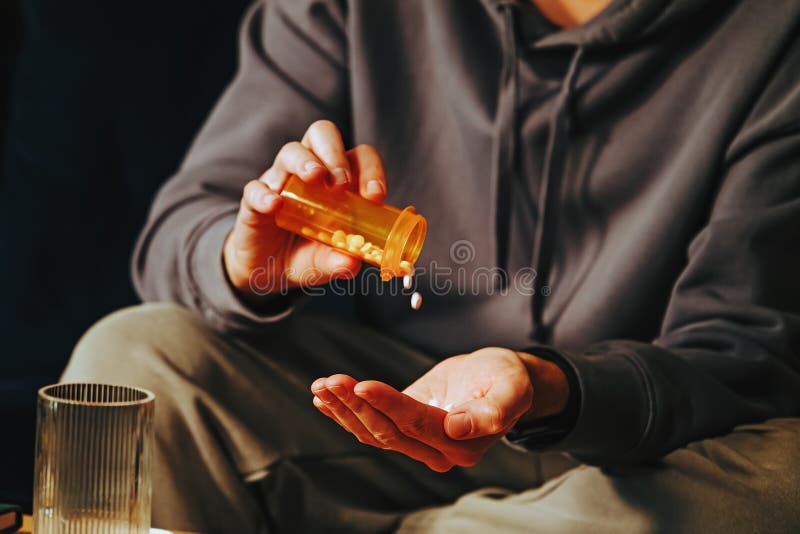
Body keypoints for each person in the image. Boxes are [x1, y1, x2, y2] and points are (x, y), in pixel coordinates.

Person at [63, 0, 800, 532]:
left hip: (648, 452)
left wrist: (551, 385)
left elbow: (745, 357)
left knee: (784, 483)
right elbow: (178, 232)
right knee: (130, 359)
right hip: (391, 422)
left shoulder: (773, 33)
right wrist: (246, 259)